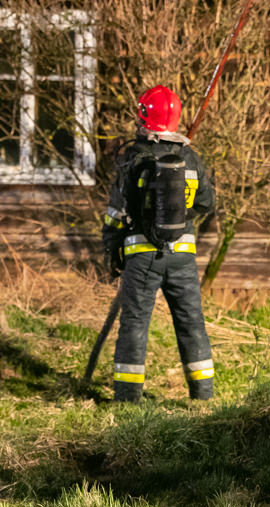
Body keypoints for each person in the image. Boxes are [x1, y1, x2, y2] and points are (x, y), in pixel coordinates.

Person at [102, 85, 216, 402]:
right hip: (183, 256)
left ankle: (127, 398)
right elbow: (208, 204)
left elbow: (115, 212)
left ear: (144, 115)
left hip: (141, 256)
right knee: (192, 323)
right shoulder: (190, 157)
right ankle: (203, 395)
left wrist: (111, 252)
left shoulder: (133, 157)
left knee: (135, 324)